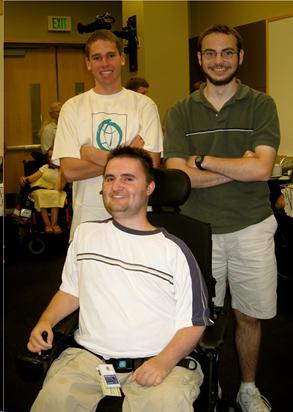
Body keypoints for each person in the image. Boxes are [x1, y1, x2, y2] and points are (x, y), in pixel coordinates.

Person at [27, 146, 212, 412]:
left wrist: (163, 362)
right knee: (53, 401)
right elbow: (71, 291)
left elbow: (194, 323)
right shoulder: (85, 235)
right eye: (109, 178)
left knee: (164, 403)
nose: (116, 186)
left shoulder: (174, 251)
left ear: (149, 188)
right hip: (90, 361)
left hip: (158, 361)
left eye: (128, 178)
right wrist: (45, 321)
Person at [163, 24, 280, 412]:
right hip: (198, 232)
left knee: (249, 316)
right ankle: (205, 385)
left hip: (251, 227)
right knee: (199, 318)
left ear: (240, 56)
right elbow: (179, 180)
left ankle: (247, 386)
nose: (218, 60)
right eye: (210, 53)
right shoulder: (180, 110)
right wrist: (236, 166)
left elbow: (263, 170)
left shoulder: (261, 104)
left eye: (227, 52)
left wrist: (203, 160)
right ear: (200, 59)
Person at [52, 30, 163, 241]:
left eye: (111, 55)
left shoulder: (144, 106)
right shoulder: (73, 107)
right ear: (88, 63)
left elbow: (152, 163)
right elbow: (69, 171)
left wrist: (91, 154)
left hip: (135, 221)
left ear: (121, 58)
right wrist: (131, 156)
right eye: (97, 57)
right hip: (88, 222)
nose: (104, 63)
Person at [20, 149, 67, 234]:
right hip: (39, 189)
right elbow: (30, 179)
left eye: (54, 156)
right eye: (50, 156)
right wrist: (23, 179)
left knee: (55, 194)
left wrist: (60, 171)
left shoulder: (65, 171)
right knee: (41, 195)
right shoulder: (45, 168)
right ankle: (48, 225)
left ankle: (54, 224)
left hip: (55, 191)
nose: (52, 158)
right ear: (48, 158)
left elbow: (57, 188)